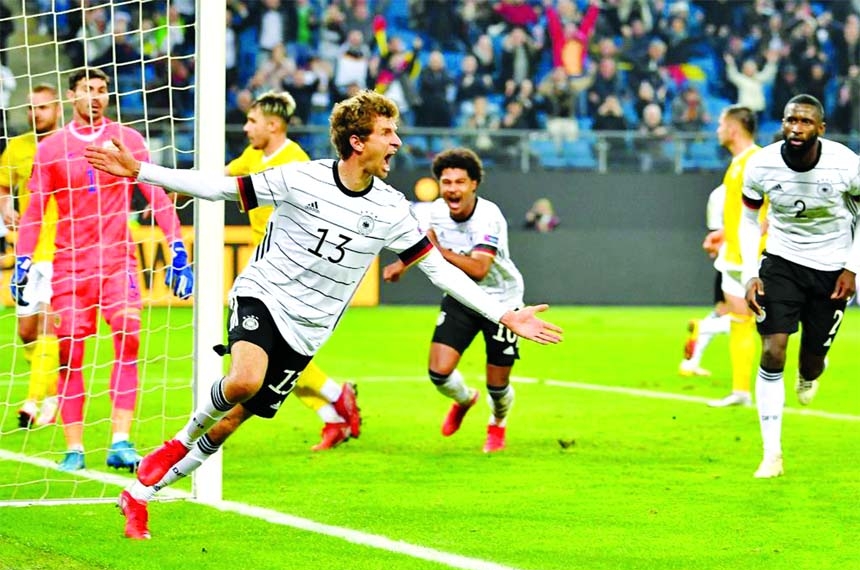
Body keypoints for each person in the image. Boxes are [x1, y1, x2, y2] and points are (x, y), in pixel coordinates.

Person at [84, 90, 563, 539]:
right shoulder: (301, 178)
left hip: (308, 330)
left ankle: (140, 494)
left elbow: (441, 272)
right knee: (245, 379)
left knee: (230, 423)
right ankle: (176, 441)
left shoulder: (393, 209)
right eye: (387, 133)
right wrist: (142, 171)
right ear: (358, 142)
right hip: (263, 295)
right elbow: (219, 189)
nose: (397, 142)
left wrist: (505, 314)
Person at [11, 68, 193, 473]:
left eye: (101, 90)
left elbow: (157, 195)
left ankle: (121, 441)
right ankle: (74, 449)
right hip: (70, 266)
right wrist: (23, 258)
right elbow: (35, 211)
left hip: (117, 263)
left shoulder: (128, 140)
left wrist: (177, 248)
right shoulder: (52, 149)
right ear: (71, 95)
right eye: (86, 90)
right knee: (69, 353)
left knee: (129, 341)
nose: (95, 97)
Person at [225, 90, 360, 451]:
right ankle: (333, 418)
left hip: (292, 269)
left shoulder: (295, 160)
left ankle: (335, 394)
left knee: (274, 351)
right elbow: (224, 178)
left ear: (273, 124)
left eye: (252, 121)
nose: (246, 127)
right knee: (271, 355)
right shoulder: (252, 156)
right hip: (264, 264)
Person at [740, 94, 860, 479]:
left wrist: (852, 268)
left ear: (820, 128)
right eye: (791, 120)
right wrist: (750, 272)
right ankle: (771, 453)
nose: (797, 128)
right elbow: (747, 219)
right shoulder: (761, 165)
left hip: (832, 268)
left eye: (806, 122)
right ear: (782, 123)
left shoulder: (846, 165)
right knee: (773, 350)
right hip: (782, 262)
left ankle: (810, 372)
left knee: (810, 361)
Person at [382, 147, 525, 453]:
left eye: (460, 182)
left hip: (502, 302)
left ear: (474, 184)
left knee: (498, 386)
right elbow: (425, 242)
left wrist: (437, 254)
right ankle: (465, 399)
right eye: (447, 183)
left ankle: (497, 423)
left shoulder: (488, 217)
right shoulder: (435, 211)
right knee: (438, 373)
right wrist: (401, 265)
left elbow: (479, 268)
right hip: (461, 295)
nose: (453, 189)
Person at [686, 106, 765, 410]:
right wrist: (724, 235)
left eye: (720, 124)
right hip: (734, 253)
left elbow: (766, 210)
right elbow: (742, 215)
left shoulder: (755, 161)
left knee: (765, 322)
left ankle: (812, 360)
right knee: (740, 321)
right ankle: (741, 391)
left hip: (753, 257)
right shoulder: (737, 164)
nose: (717, 130)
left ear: (733, 129)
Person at [0, 85, 62, 428]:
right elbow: (4, 185)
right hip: (28, 250)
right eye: (31, 108)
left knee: (47, 323)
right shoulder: (18, 147)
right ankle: (53, 394)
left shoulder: (69, 145)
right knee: (27, 332)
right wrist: (7, 207)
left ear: (57, 109)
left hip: (62, 249)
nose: (35, 113)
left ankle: (32, 402)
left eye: (42, 108)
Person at [678, 184, 730, 377]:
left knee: (722, 311)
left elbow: (716, 232)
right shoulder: (760, 184)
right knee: (754, 319)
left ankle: (689, 362)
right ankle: (704, 327)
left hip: (726, 261)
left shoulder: (717, 193)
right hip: (747, 261)